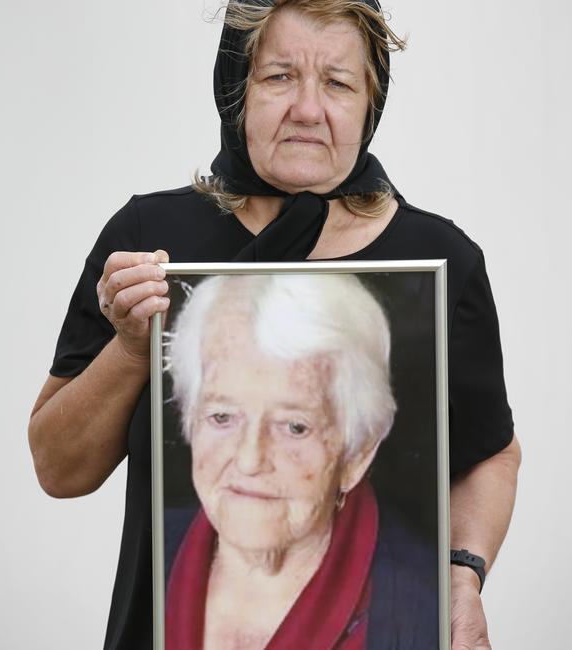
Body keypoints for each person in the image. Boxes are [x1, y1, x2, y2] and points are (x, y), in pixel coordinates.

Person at [28, 1, 522, 649]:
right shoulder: (149, 241)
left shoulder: (441, 260)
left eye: (339, 83)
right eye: (280, 76)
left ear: (371, 103)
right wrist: (129, 348)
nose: (309, 109)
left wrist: (462, 574)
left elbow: (491, 452)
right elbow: (59, 471)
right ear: (236, 87)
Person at [163, 273, 436, 649]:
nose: (249, 460)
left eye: (294, 426)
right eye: (222, 416)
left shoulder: (425, 609)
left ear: (357, 453)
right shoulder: (149, 556)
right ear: (190, 418)